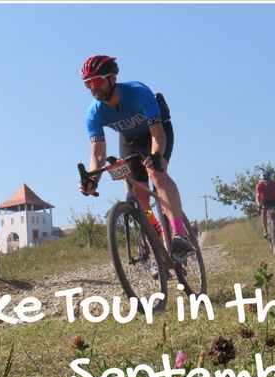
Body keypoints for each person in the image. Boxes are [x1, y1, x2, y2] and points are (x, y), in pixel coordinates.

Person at [78, 54, 192, 255]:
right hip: (130, 140)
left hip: (156, 133)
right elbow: (97, 154)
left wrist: (156, 156)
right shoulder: (94, 113)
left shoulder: (138, 92)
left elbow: (158, 134)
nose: (92, 88)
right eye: (87, 84)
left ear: (112, 78)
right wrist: (92, 179)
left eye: (96, 81)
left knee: (156, 174)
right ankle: (156, 232)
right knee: (139, 194)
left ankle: (179, 234)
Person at [254, 170, 275, 242]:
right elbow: (257, 196)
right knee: (263, 212)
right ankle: (265, 231)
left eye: (268, 179)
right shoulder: (259, 185)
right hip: (263, 200)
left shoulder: (274, 183)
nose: (266, 181)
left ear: (270, 178)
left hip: (273, 199)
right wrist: (259, 205)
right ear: (262, 179)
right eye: (264, 179)